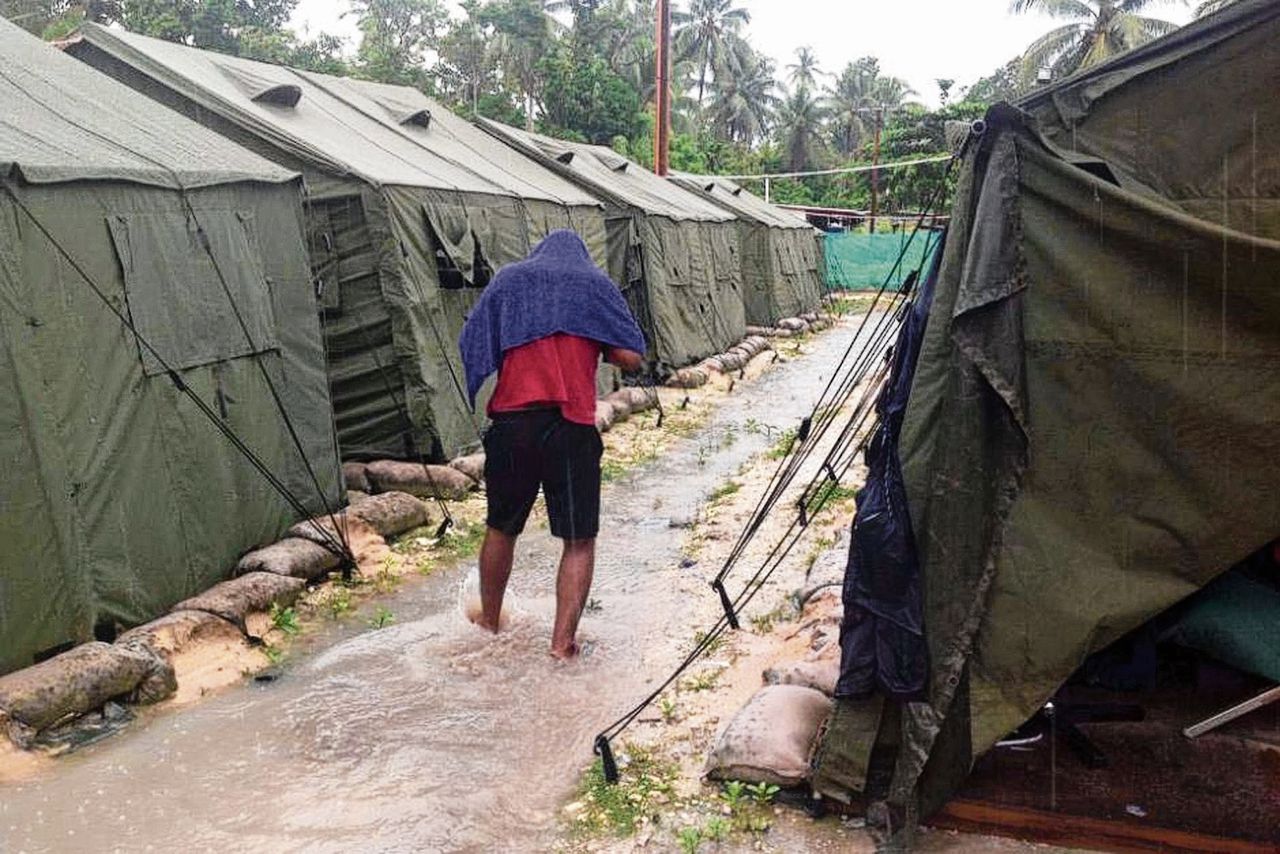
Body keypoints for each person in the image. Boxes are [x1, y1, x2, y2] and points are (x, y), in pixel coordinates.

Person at [459, 230, 646, 659]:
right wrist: (592, 339)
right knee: (578, 539)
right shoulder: (594, 285)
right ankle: (562, 645)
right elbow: (632, 356)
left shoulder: (510, 281)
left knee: (501, 529)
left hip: (512, 425)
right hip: (570, 428)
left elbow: (474, 339)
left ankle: (489, 624)